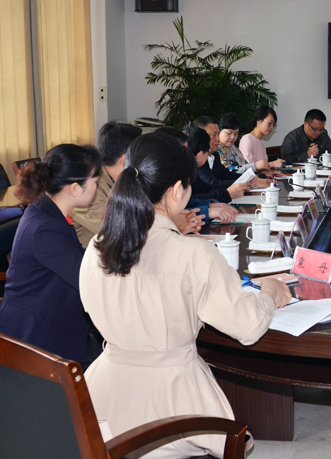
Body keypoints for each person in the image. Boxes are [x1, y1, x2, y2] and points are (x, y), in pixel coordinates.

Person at [80, 132, 292, 458]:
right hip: (173, 405)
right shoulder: (193, 255)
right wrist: (269, 292)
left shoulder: (97, 247)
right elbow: (248, 327)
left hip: (102, 400)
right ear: (178, 190)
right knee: (235, 439)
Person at [0, 144, 103, 367]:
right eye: (94, 181)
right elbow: (86, 278)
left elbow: (82, 259)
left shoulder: (49, 213)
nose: (96, 187)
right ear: (75, 188)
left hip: (51, 321)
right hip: (35, 337)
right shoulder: (45, 227)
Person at [71, 121, 202, 244]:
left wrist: (172, 215)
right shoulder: (89, 187)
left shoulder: (132, 179)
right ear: (126, 159)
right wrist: (170, 224)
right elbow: (120, 230)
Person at [187, 126, 253, 204]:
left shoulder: (213, 156)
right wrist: (227, 194)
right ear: (200, 154)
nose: (218, 139)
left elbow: (207, 188)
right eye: (214, 135)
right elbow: (191, 201)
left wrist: (243, 182)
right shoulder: (186, 170)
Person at [239, 106, 285, 171]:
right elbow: (248, 168)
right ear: (259, 121)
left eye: (273, 125)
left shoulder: (260, 140)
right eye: (270, 123)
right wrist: (271, 164)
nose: (272, 127)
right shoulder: (247, 139)